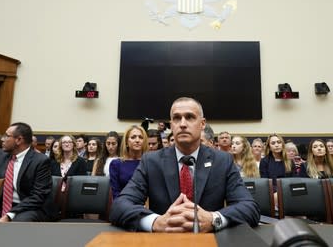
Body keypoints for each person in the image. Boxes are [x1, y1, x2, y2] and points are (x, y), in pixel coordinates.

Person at [110, 97, 260, 232]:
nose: (182, 124)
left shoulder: (222, 161)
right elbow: (120, 205)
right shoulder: (151, 161)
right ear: (171, 125)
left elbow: (249, 208)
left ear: (202, 124)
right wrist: (156, 222)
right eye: (176, 118)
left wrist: (213, 219)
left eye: (189, 117)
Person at [0, 122, 57, 222]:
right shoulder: (0, 159)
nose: (3, 139)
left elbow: (38, 196)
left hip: (30, 208)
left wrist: (9, 215)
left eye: (7, 136)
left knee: (19, 222)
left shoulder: (40, 161)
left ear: (19, 140)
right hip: (1, 206)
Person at [109, 125, 148, 200]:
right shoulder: (116, 164)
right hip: (123, 206)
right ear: (126, 142)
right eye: (133, 137)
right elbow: (115, 193)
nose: (137, 140)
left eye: (141, 137)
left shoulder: (150, 162)